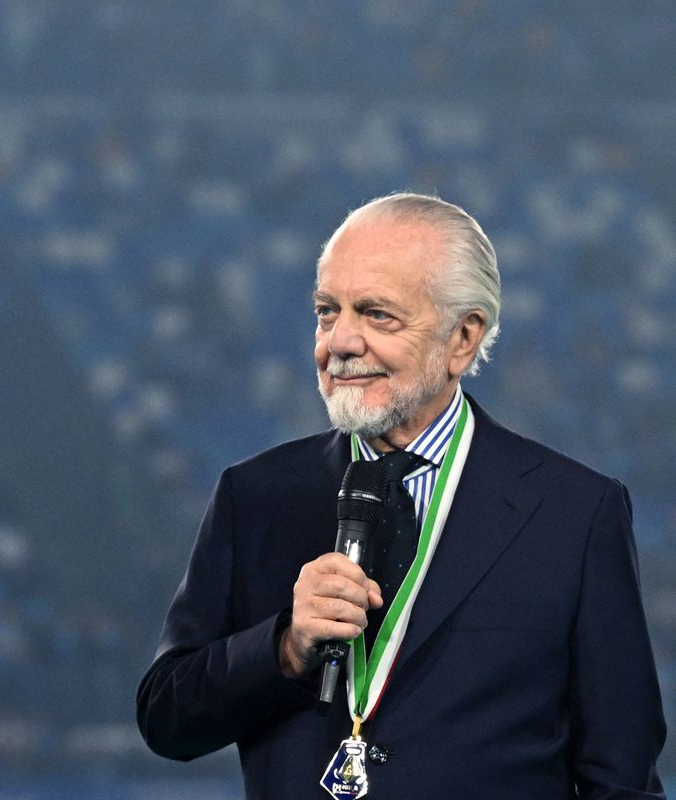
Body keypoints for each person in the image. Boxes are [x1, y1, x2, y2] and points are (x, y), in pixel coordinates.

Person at [136, 192, 666, 798]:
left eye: (377, 315)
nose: (340, 342)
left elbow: (620, 774)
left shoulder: (574, 513)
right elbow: (166, 718)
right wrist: (283, 648)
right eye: (326, 311)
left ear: (462, 339)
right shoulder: (254, 495)